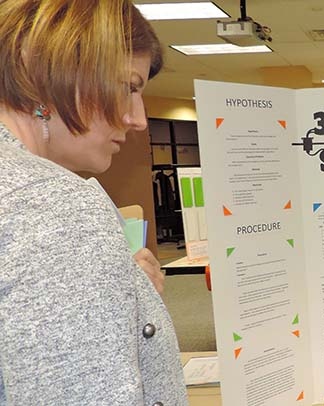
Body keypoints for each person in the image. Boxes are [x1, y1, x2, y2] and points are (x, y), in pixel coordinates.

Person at [0, 1, 187, 404]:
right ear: (47, 72)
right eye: (128, 88)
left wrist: (126, 291)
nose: (137, 119)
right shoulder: (52, 203)